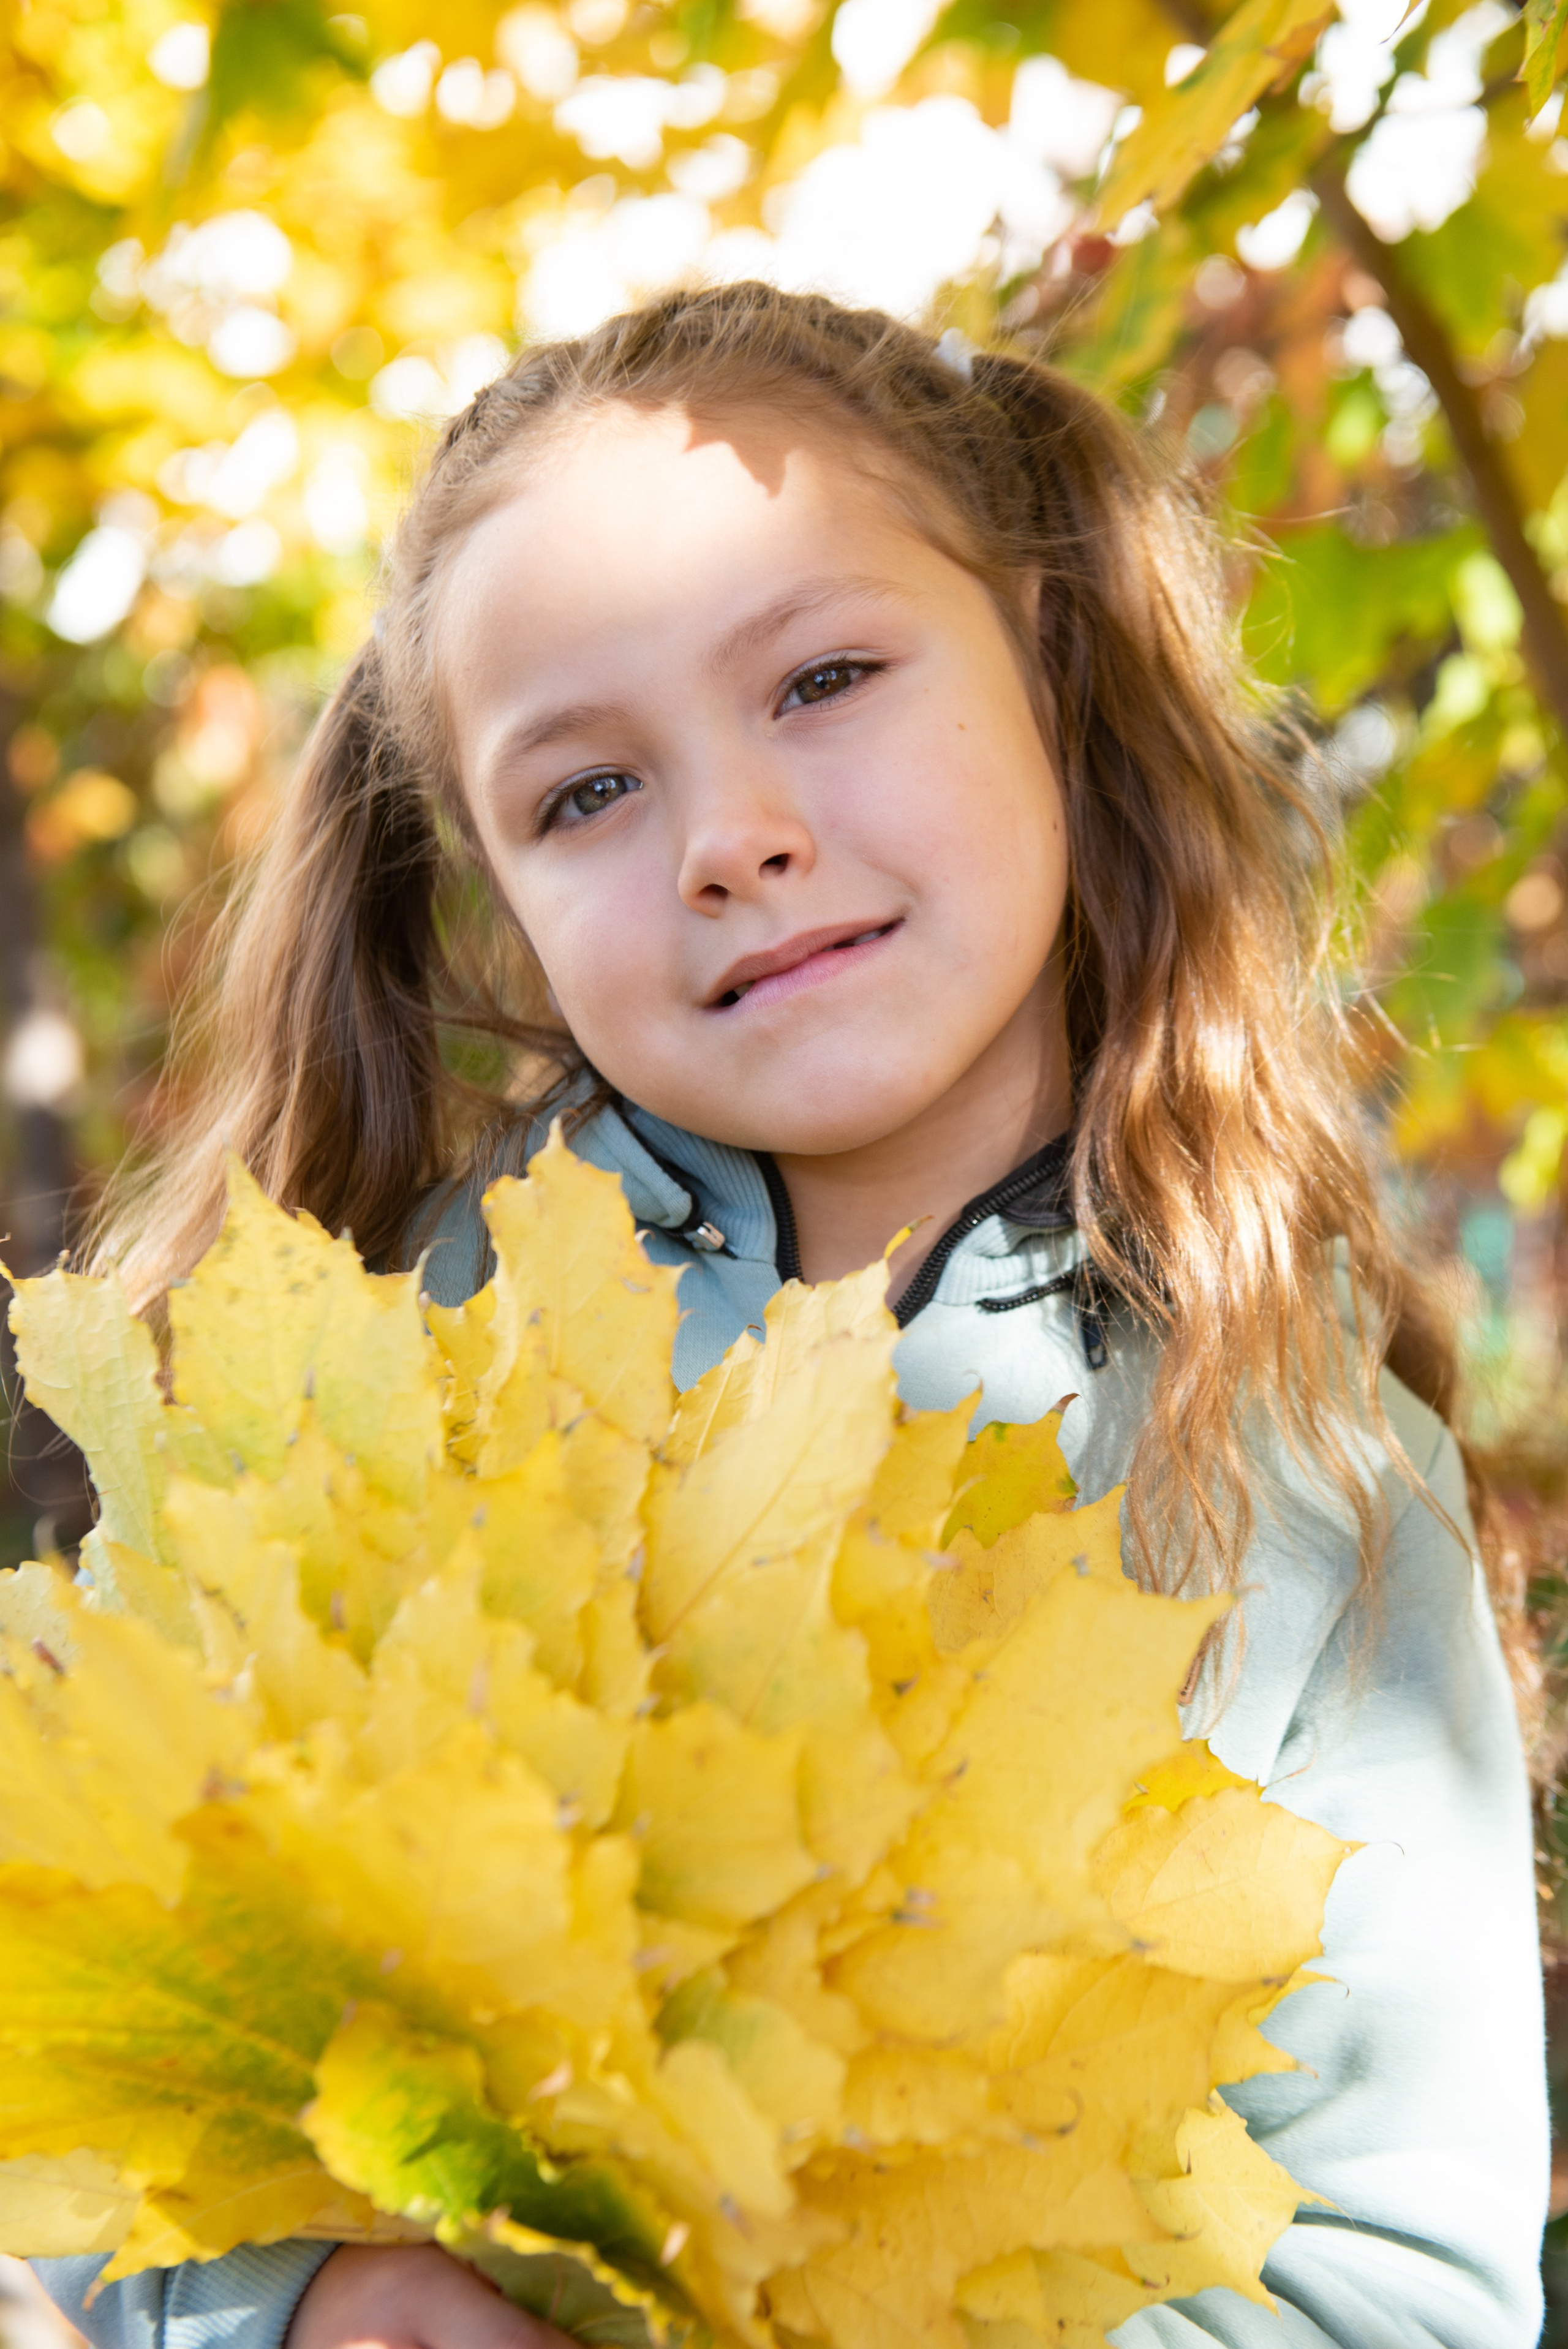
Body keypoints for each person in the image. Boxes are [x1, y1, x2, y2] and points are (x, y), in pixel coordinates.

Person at [36, 282, 1547, 2349]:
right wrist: (309, 2304)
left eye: (823, 675)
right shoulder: (386, 1370)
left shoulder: (1291, 1468)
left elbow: (1398, 2294)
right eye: (586, 794)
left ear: (1047, 652)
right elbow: (109, 2001)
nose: (735, 836)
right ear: (484, 875)